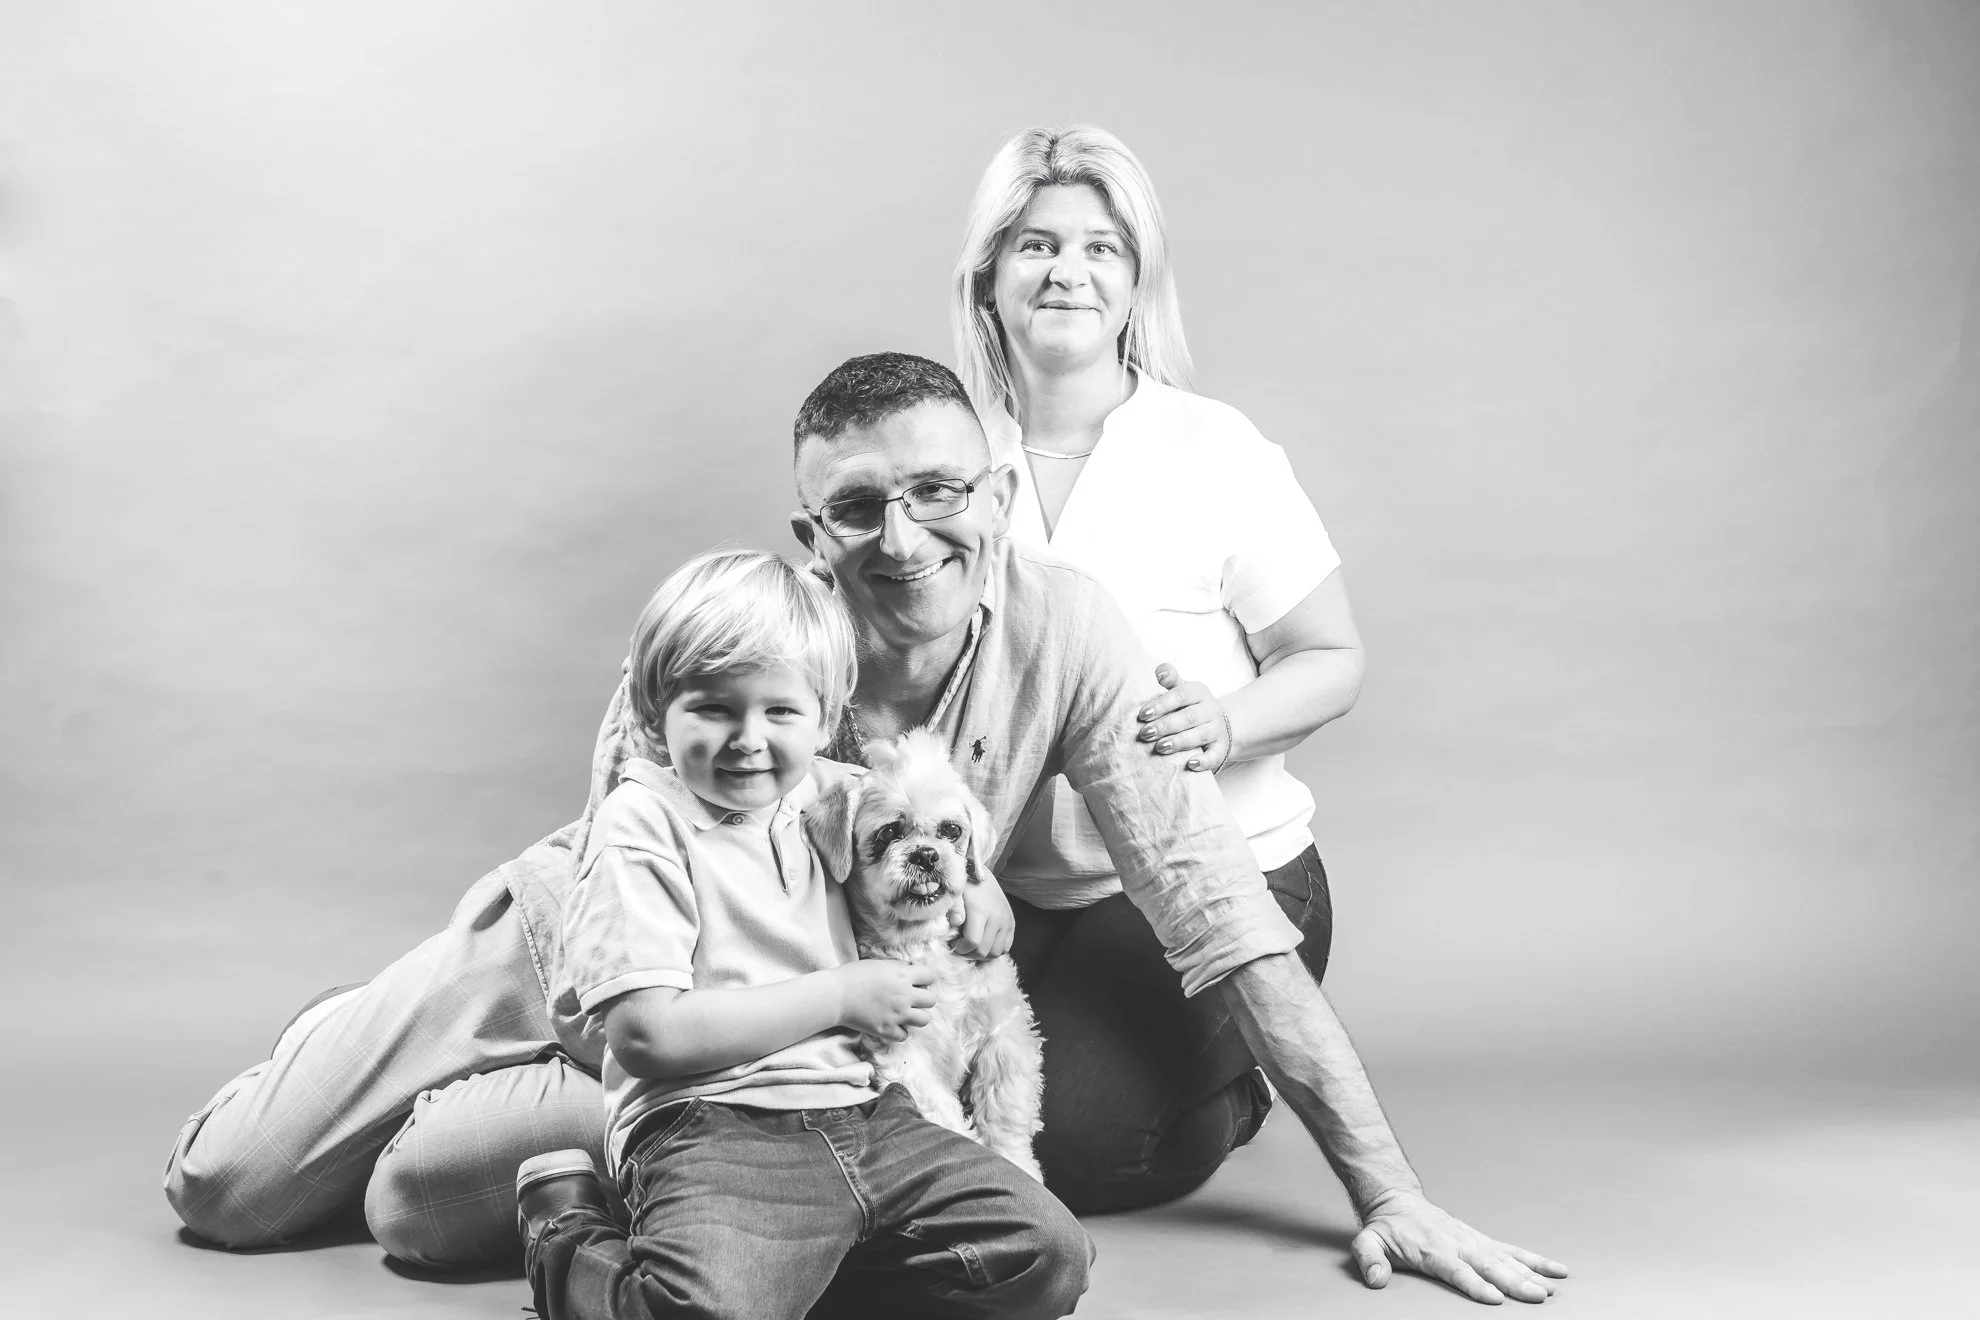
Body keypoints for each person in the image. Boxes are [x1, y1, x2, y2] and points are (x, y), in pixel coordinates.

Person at [165, 352, 1564, 1307]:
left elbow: (1218, 908)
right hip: (583, 963)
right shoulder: (739, 645)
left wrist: (1390, 1191)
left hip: (767, 1052)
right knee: (228, 1190)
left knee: (415, 1208)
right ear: (812, 533)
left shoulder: (1067, 629)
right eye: (858, 508)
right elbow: (622, 911)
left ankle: (458, 1133)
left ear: (995, 496)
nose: (903, 538)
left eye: (938, 491)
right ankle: (352, 1038)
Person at [948, 124, 1362, 1212]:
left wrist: (1225, 723)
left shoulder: (1213, 447)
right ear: (988, 274)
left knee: (1074, 1150)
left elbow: (1330, 658)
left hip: (1220, 878)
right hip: (1017, 890)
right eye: (1036, 245)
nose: (1068, 273)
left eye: (1102, 248)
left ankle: (1241, 1089)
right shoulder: (947, 456)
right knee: (928, 1104)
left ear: (1138, 282)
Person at [513, 547, 1088, 1320]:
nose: (749, 739)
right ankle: (564, 1232)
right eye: (713, 708)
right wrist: (841, 995)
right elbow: (649, 1036)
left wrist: (976, 880)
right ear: (654, 713)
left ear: (825, 717)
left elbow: (915, 812)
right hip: (710, 1124)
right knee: (702, 1311)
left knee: (1048, 1256)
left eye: (780, 712)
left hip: (868, 1112)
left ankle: (796, 1277)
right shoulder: (642, 824)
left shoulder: (821, 793)